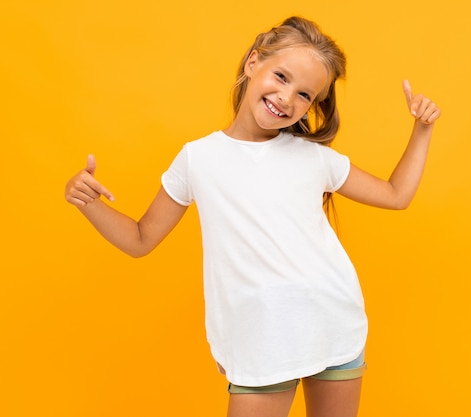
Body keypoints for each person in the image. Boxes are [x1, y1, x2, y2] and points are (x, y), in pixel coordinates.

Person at [65, 16, 440, 417]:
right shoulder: (198, 158)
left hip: (333, 324)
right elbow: (140, 239)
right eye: (280, 76)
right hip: (261, 341)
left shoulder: (313, 158)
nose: (286, 98)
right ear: (252, 63)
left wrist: (421, 129)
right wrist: (90, 203)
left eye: (304, 95)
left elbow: (396, 195)